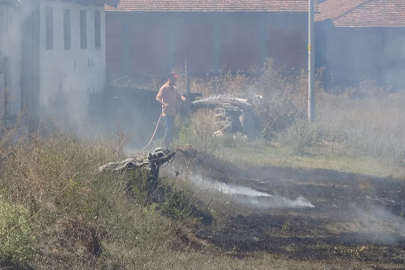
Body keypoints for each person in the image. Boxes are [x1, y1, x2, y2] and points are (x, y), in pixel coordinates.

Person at [156, 71, 189, 149]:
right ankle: (165, 147)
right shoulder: (164, 87)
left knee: (172, 130)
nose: (175, 80)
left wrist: (185, 100)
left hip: (172, 113)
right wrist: (163, 103)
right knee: (168, 129)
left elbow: (180, 96)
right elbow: (157, 97)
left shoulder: (174, 89)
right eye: (174, 79)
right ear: (169, 78)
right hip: (166, 113)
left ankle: (169, 146)